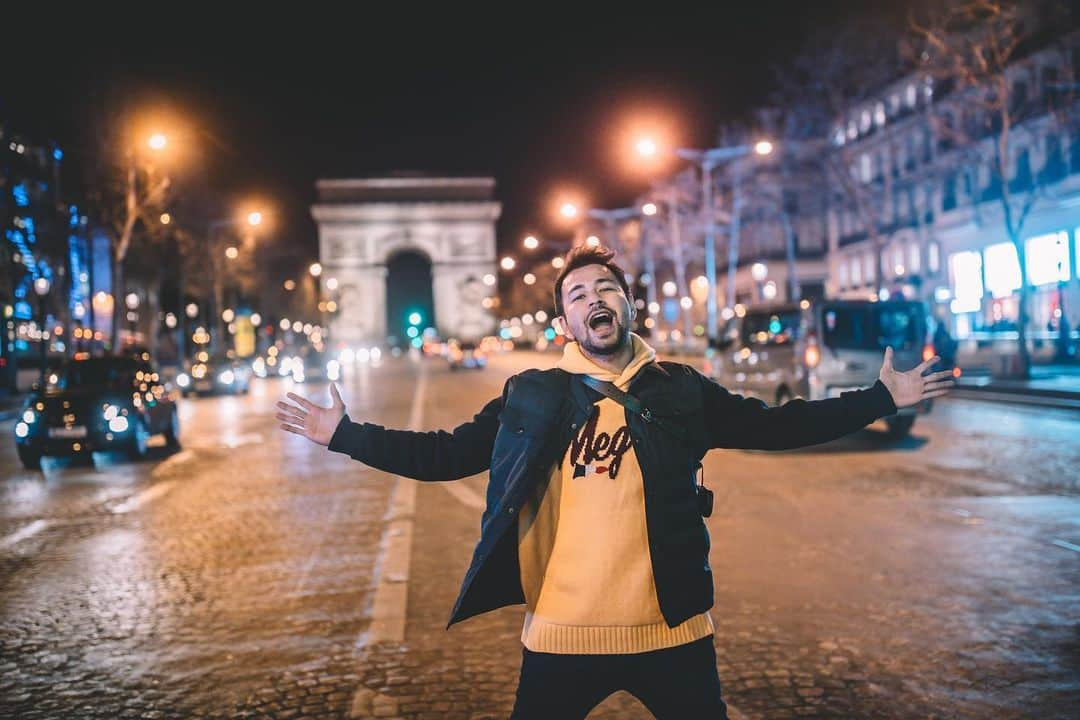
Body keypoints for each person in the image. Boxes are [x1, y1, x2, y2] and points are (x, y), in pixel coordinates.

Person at [276, 245, 955, 719]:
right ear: (565, 323)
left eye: (607, 288)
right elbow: (446, 455)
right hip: (562, 637)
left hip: (676, 633)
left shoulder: (682, 390)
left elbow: (776, 426)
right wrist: (343, 434)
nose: (594, 299)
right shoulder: (532, 395)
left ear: (627, 305)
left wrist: (880, 398)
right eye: (578, 294)